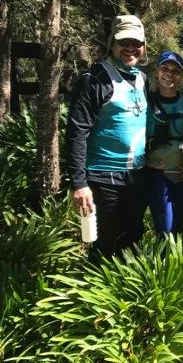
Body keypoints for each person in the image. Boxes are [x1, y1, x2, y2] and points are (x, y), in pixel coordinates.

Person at [66, 14, 149, 261]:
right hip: (103, 178)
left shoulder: (142, 78)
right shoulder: (94, 79)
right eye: (124, 42)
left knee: (133, 238)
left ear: (144, 46)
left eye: (136, 43)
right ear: (111, 43)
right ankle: (95, 283)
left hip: (137, 175)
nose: (130, 48)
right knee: (106, 244)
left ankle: (127, 284)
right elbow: (77, 132)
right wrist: (79, 183)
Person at [146, 50, 183, 237]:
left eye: (175, 71)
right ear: (157, 72)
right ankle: (164, 256)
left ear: (181, 76)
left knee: (180, 225)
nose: (169, 74)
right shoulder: (146, 103)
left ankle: (177, 257)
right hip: (158, 174)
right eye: (165, 68)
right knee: (166, 228)